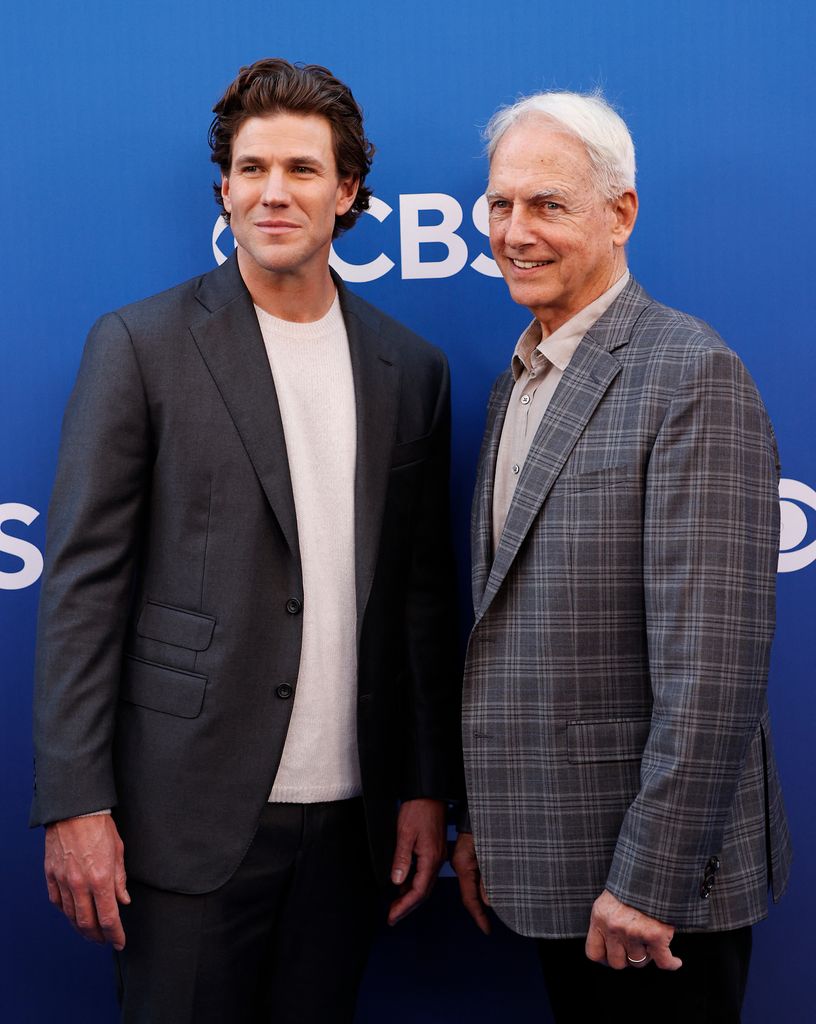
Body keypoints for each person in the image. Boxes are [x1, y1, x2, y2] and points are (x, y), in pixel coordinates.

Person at [31, 58, 460, 1023]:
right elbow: (84, 588)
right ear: (223, 189)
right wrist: (75, 802)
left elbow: (424, 600)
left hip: (354, 826)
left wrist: (428, 789)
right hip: (181, 819)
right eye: (253, 168)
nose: (276, 192)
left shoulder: (411, 370)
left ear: (348, 192)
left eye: (303, 170)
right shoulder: (138, 346)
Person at [452, 90, 791, 1022]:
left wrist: (651, 882)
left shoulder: (690, 374)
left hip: (652, 901)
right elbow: (513, 633)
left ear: (621, 212)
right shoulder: (517, 380)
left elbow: (713, 669)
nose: (515, 231)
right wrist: (489, 818)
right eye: (500, 204)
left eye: (548, 205)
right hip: (554, 859)